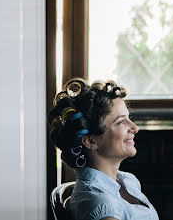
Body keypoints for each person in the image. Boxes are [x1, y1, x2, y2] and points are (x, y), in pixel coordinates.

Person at [48, 78, 159, 220]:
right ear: (91, 141)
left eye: (128, 118)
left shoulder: (128, 181)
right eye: (120, 122)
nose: (135, 128)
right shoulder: (99, 205)